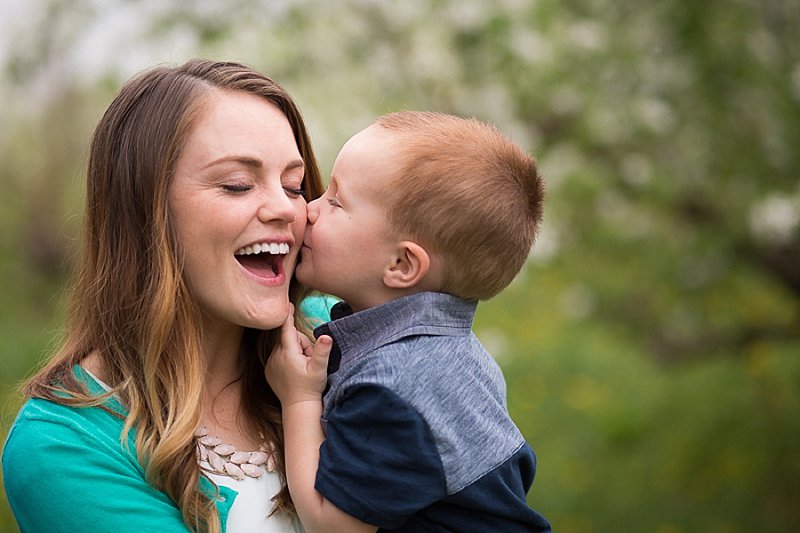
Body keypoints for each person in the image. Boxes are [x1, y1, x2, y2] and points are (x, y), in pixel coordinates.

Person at [2, 59, 333, 533]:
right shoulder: (64, 446)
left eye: (293, 186)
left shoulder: (339, 337)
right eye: (237, 185)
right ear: (145, 211)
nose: (287, 208)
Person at [266, 111, 552, 532]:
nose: (308, 209)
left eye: (336, 202)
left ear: (401, 264)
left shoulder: (392, 386)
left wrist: (299, 399)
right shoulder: (451, 354)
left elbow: (332, 526)